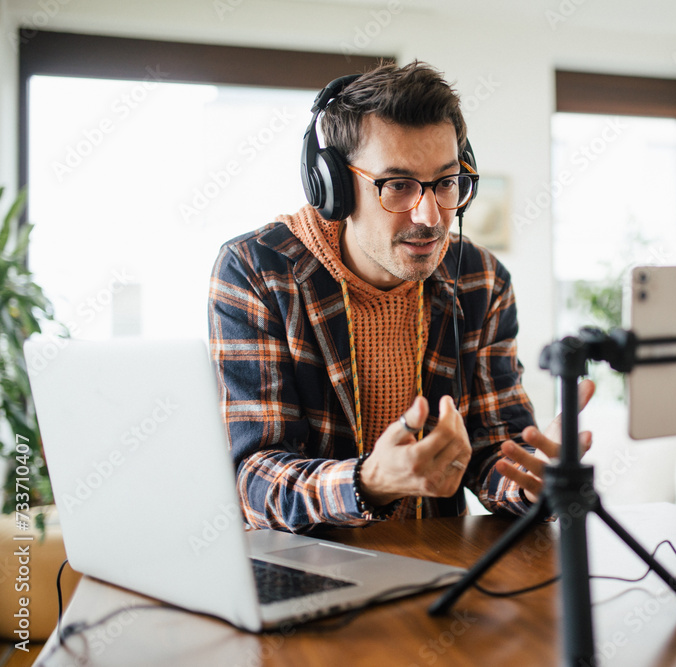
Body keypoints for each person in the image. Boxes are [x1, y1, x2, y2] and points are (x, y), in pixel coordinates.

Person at [208, 60, 593, 533]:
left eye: (447, 183)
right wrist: (368, 481)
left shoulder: (481, 278)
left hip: (436, 565)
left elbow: (495, 446)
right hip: (306, 563)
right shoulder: (256, 270)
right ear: (334, 188)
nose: (430, 216)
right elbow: (252, 479)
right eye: (398, 185)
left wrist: (529, 481)